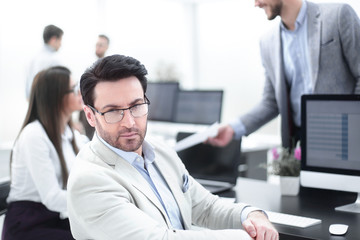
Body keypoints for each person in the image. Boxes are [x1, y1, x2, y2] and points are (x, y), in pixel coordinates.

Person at [67, 54, 279, 240]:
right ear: (90, 116)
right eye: (113, 111)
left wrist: (252, 216)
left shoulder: (160, 152)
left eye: (136, 106)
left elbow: (205, 208)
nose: (130, 122)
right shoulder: (89, 180)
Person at [207, 0, 360, 149]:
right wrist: (232, 128)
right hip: (300, 142)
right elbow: (271, 102)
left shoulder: (338, 16)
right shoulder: (267, 43)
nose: (256, 4)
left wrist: (352, 124)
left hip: (346, 136)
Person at [2, 66, 88, 240]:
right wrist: (93, 201)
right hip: (27, 224)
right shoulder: (34, 135)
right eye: (74, 89)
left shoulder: (70, 134)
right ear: (56, 97)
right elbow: (52, 198)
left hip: (52, 218)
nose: (80, 92)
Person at [25, 24, 64, 100]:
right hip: (48, 104)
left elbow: (27, 89)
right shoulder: (54, 60)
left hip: (33, 103)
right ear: (54, 39)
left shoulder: (33, 59)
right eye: (60, 40)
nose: (60, 44)